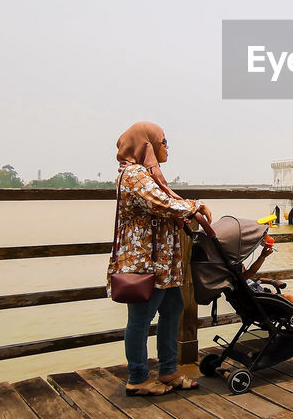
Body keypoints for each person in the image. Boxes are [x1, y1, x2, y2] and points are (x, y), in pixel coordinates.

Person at [107, 121, 212, 397]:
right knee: (141, 318)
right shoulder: (134, 174)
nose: (167, 147)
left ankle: (168, 370)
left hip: (164, 263)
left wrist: (188, 209)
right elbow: (160, 203)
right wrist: (195, 205)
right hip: (145, 263)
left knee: (173, 311)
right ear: (147, 145)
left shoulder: (150, 174)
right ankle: (138, 378)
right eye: (163, 142)